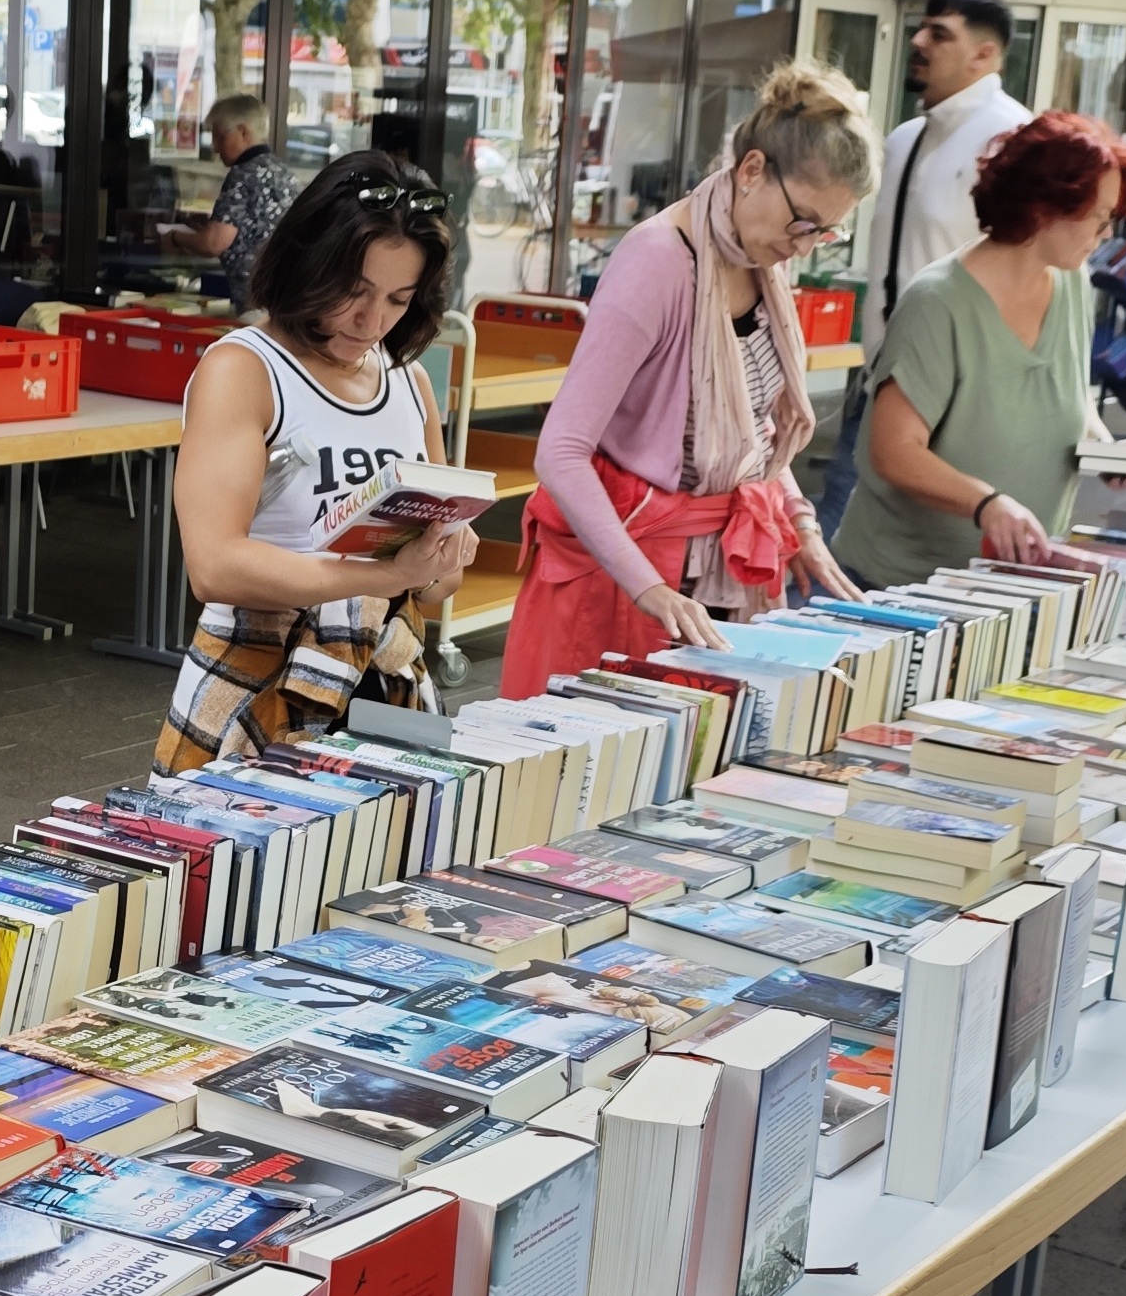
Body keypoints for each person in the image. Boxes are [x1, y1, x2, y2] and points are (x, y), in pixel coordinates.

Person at [502, 62, 877, 695]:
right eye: (804, 222)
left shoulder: (762, 254)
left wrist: (800, 524)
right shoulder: (657, 260)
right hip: (624, 569)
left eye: (828, 230)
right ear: (752, 170)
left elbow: (751, 428)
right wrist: (646, 584)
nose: (807, 246)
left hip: (715, 567)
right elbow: (561, 451)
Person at [158, 152, 474, 771]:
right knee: (243, 859)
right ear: (306, 263)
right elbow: (214, 565)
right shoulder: (245, 369)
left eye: (397, 299)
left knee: (392, 862)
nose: (371, 320)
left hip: (389, 676)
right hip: (259, 678)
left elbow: (437, 589)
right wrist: (380, 578)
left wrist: (443, 555)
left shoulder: (410, 383)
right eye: (353, 291)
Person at [835, 110, 1126, 586]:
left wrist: (1110, 455)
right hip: (905, 585)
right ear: (1044, 209)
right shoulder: (939, 301)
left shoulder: (1074, 285)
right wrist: (986, 503)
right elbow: (894, 450)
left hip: (1014, 583)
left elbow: (1068, 398)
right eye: (1100, 218)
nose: (1105, 235)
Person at [814, 0, 1030, 532]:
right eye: (921, 28)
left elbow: (1032, 275)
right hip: (880, 381)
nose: (918, 41)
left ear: (984, 55)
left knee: (919, 549)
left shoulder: (1012, 140)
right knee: (844, 539)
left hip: (959, 396)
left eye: (940, 34)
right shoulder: (905, 139)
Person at [159, 93, 300, 291]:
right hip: (284, 290)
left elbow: (213, 243)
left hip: (254, 294)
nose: (215, 147)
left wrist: (175, 237)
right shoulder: (282, 172)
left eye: (219, 136)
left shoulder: (244, 174)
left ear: (242, 132)